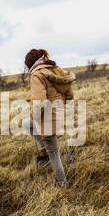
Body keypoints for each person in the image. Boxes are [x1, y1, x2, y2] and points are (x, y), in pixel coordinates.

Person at [24, 48, 75, 189]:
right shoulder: (55, 69)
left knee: (54, 153)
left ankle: (64, 186)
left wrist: (35, 116)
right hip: (59, 111)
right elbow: (69, 94)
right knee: (27, 124)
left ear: (30, 64)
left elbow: (40, 102)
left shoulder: (36, 75)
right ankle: (46, 148)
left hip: (48, 116)